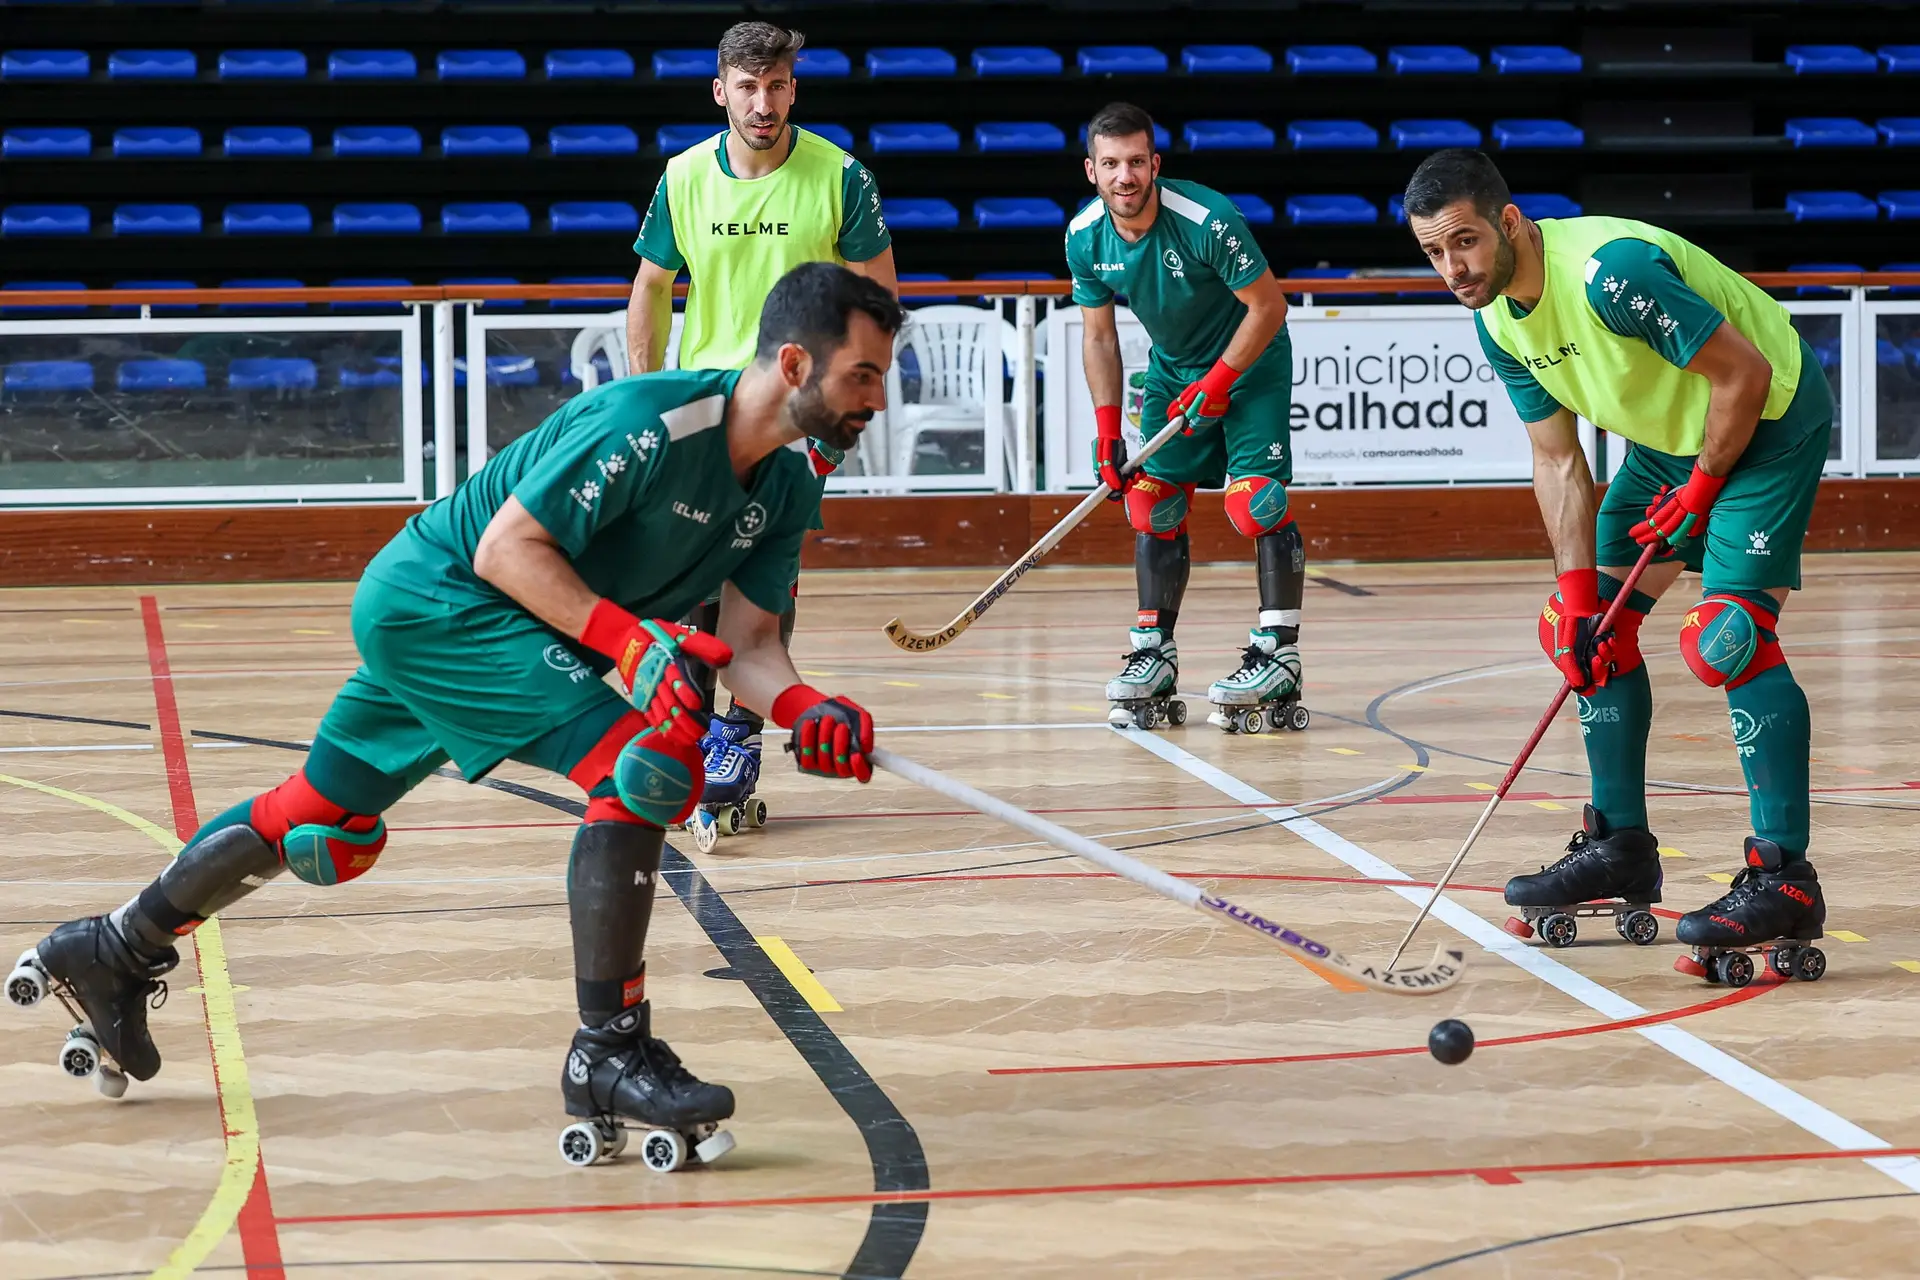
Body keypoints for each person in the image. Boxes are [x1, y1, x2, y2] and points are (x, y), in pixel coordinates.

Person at [13, 264, 900, 1164]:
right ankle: (610, 1050)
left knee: (323, 817)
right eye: (861, 374)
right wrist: (633, 646)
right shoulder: (651, 424)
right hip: (443, 601)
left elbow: (751, 646)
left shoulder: (788, 484)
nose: (876, 397)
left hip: (506, 629)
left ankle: (116, 948)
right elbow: (506, 547)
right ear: (794, 363)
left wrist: (806, 705)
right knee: (645, 765)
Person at [1403, 149, 1832, 965]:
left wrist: (1704, 489)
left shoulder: (1608, 275)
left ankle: (1786, 879)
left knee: (1727, 639)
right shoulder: (1496, 319)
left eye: (1464, 242)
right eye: (1433, 251)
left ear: (1510, 223)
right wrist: (1573, 593)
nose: (1453, 267)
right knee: (1586, 635)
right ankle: (1620, 846)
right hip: (1674, 442)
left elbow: (1743, 372)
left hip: (1767, 418)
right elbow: (1558, 462)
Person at [624, 20, 897, 846]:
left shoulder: (841, 177)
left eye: (777, 85)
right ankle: (688, 727)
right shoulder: (681, 177)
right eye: (748, 86)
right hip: (704, 406)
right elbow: (650, 286)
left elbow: (878, 299)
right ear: (721, 92)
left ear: (793, 90)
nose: (764, 101)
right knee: (685, 570)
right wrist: (645, 389)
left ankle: (738, 734)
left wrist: (846, 405)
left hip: (796, 411)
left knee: (760, 567)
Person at [1064, 102, 1304, 734]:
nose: (1125, 177)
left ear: (1155, 165)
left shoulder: (1206, 219)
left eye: (1137, 162)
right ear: (1091, 169)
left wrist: (1221, 381)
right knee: (1149, 506)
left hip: (1249, 365)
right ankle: (1154, 651)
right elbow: (1099, 339)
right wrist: (1109, 432)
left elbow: (1269, 307)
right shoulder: (1083, 235)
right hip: (1172, 370)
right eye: (1111, 164)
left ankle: (1279, 654)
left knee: (1254, 504)